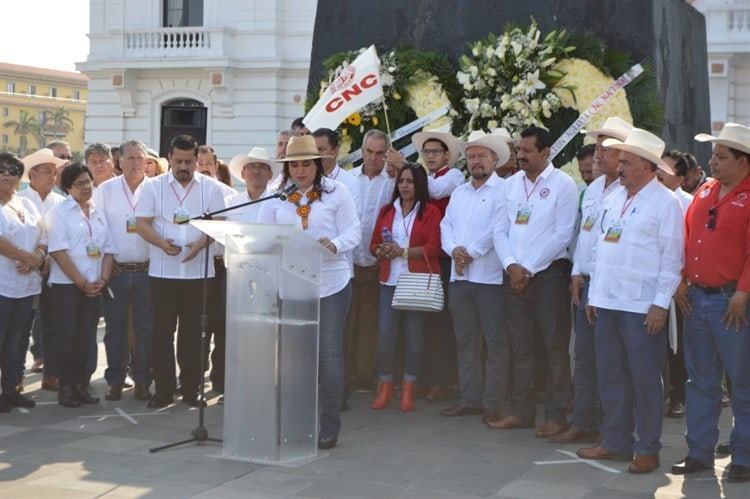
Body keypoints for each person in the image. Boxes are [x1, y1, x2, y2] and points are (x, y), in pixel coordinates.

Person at [577, 128, 683, 474]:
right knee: (611, 377)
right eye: (618, 160)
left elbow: (672, 259)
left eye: (626, 162)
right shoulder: (611, 198)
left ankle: (648, 448)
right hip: (606, 302)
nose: (618, 167)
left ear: (647, 167)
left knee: (645, 380)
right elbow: (599, 251)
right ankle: (614, 442)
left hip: (640, 307)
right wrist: (595, 294)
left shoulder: (665, 203)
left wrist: (659, 304)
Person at [257, 135, 360, 450]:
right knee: (294, 358)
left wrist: (336, 244)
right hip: (293, 283)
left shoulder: (337, 193)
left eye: (306, 164)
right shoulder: (275, 195)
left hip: (331, 281)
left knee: (328, 353)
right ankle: (293, 421)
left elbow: (354, 231)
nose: (300, 171)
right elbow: (261, 235)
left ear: (318, 164)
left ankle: (329, 426)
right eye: (294, 165)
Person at [670, 122, 750, 483]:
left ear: (743, 162)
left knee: (742, 382)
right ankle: (699, 451)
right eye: (713, 155)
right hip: (698, 299)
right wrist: (683, 279)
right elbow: (689, 239)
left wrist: (743, 293)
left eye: (721, 156)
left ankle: (744, 456)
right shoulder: (704, 191)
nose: (712, 161)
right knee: (700, 382)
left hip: (731, 303)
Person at [489, 126, 578, 438]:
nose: (521, 156)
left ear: (546, 152)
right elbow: (499, 230)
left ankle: (557, 414)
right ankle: (522, 411)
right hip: (514, 277)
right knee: (520, 346)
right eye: (519, 150)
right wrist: (512, 266)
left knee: (554, 347)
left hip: (548, 276)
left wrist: (527, 269)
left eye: (527, 150)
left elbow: (562, 234)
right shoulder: (509, 185)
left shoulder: (563, 184)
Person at [550, 117, 632, 445]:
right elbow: (585, 237)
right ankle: (584, 420)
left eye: (604, 148)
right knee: (583, 356)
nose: (597, 154)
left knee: (614, 363)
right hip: (586, 285)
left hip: (615, 289)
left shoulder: (630, 191)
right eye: (596, 147)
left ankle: (616, 429)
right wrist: (575, 273)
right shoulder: (594, 188)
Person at [135, 134, 226, 409]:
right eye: (178, 161)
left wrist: (201, 243)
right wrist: (161, 243)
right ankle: (163, 388)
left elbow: (220, 222)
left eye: (189, 161)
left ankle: (191, 388)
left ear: (197, 159)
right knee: (162, 332)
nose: (183, 167)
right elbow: (142, 223)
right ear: (169, 159)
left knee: (194, 333)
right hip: (163, 273)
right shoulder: (152, 187)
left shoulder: (211, 188)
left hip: (199, 273)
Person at [439, 131, 510, 424]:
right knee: (465, 339)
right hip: (461, 277)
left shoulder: (505, 190)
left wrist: (470, 252)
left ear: (495, 159)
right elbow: (446, 225)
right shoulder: (460, 192)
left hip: (490, 277)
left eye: (482, 156)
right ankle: (470, 399)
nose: (476, 161)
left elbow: (499, 228)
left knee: (495, 340)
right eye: (471, 156)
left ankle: (492, 401)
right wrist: (454, 249)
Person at [388, 131, 464, 402]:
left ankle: (440, 381)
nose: (430, 156)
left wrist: (403, 167)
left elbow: (433, 191)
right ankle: (417, 378)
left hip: (440, 256)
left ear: (446, 155)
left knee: (439, 323)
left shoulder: (453, 176)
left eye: (435, 152)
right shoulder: (425, 176)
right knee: (417, 321)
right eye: (426, 152)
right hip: (416, 255)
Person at [369, 162, 442, 413]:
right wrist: (383, 250)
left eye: (410, 181)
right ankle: (386, 383)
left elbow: (435, 247)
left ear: (419, 184)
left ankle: (410, 384)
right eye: (401, 181)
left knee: (414, 336)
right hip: (389, 280)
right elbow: (373, 245)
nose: (405, 186)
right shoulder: (387, 210)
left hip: (416, 282)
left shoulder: (430, 211)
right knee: (385, 335)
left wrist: (405, 252)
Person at [47, 163, 115, 408]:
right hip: (68, 286)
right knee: (67, 337)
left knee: (86, 337)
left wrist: (103, 280)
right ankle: (66, 386)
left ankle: (81, 384)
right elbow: (58, 251)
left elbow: (108, 250)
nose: (86, 187)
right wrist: (82, 282)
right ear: (67, 188)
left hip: (95, 285)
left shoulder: (97, 211)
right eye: (79, 184)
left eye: (88, 181)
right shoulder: (60, 212)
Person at [92, 140, 154, 402]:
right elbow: (96, 228)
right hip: (117, 271)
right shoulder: (106, 190)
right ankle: (115, 380)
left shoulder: (156, 189)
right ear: (119, 161)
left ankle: (142, 380)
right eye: (130, 158)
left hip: (148, 271)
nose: (136, 162)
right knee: (115, 329)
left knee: (145, 329)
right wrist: (104, 263)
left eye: (140, 157)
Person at [344, 129, 395, 394]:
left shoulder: (393, 181)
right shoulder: (348, 179)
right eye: (369, 152)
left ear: (387, 153)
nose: (374, 158)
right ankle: (345, 374)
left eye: (380, 153)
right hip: (349, 263)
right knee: (347, 320)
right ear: (361, 151)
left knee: (370, 323)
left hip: (378, 264)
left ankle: (365, 375)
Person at [17, 149, 66, 392]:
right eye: (47, 172)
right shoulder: (21, 199)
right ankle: (14, 379)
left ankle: (52, 373)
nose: (52, 176)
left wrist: (46, 258)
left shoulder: (61, 201)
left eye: (54, 172)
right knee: (20, 326)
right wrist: (32, 259)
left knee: (53, 324)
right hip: (22, 271)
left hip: (55, 270)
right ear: (32, 174)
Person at [0, 153, 46, 411]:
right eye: (1, 169)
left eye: (13, 170)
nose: (6, 174)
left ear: (21, 177)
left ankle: (11, 390)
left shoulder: (26, 204)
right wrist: (27, 257)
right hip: (2, 286)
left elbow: (43, 233)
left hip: (25, 287)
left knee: (18, 341)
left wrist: (37, 257)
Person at [657, 150, 693, 419]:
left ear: (680, 179)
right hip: (652, 282)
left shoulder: (688, 203)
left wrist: (682, 280)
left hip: (679, 285)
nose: (659, 173)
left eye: (666, 171)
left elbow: (688, 247)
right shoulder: (647, 199)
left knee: (677, 344)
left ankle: (678, 395)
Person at [225, 147, 278, 222]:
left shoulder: (278, 201)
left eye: (262, 167)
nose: (256, 171)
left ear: (270, 175)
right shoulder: (230, 202)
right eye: (251, 167)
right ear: (242, 174)